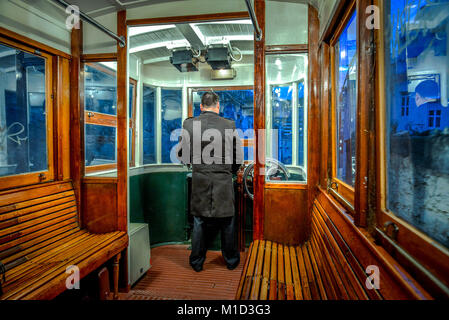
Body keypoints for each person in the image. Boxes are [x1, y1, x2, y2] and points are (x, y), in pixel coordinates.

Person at [177, 91, 243, 272]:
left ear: (201, 106)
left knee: (199, 221)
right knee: (228, 221)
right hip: (223, 180)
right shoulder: (229, 124)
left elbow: (182, 154)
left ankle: (197, 262)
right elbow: (238, 156)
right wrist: (230, 172)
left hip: (200, 179)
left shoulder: (189, 124)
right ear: (218, 106)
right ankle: (231, 261)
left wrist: (195, 165)